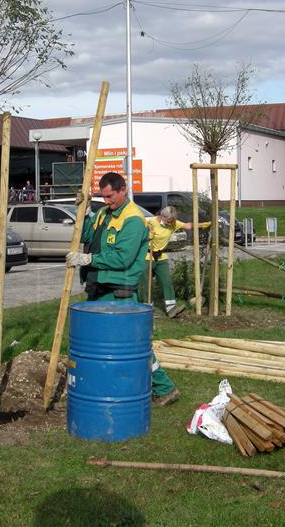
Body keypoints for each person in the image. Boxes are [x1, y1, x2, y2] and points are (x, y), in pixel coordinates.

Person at [65, 172, 180, 406]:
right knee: (96, 343)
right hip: (99, 288)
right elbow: (87, 235)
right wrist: (85, 213)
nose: (106, 201)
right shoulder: (103, 214)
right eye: (103, 197)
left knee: (134, 345)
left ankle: (164, 388)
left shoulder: (133, 220)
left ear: (122, 190)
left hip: (119, 292)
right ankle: (101, 386)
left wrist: (87, 260)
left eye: (110, 197)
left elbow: (123, 258)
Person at [144, 206, 211, 318]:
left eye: (173, 221)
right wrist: (147, 231)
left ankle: (171, 309)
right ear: (162, 217)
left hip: (160, 256)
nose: (171, 223)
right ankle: (147, 309)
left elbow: (187, 225)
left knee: (167, 282)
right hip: (146, 256)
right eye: (169, 221)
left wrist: (203, 225)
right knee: (146, 283)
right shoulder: (150, 222)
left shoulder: (174, 223)